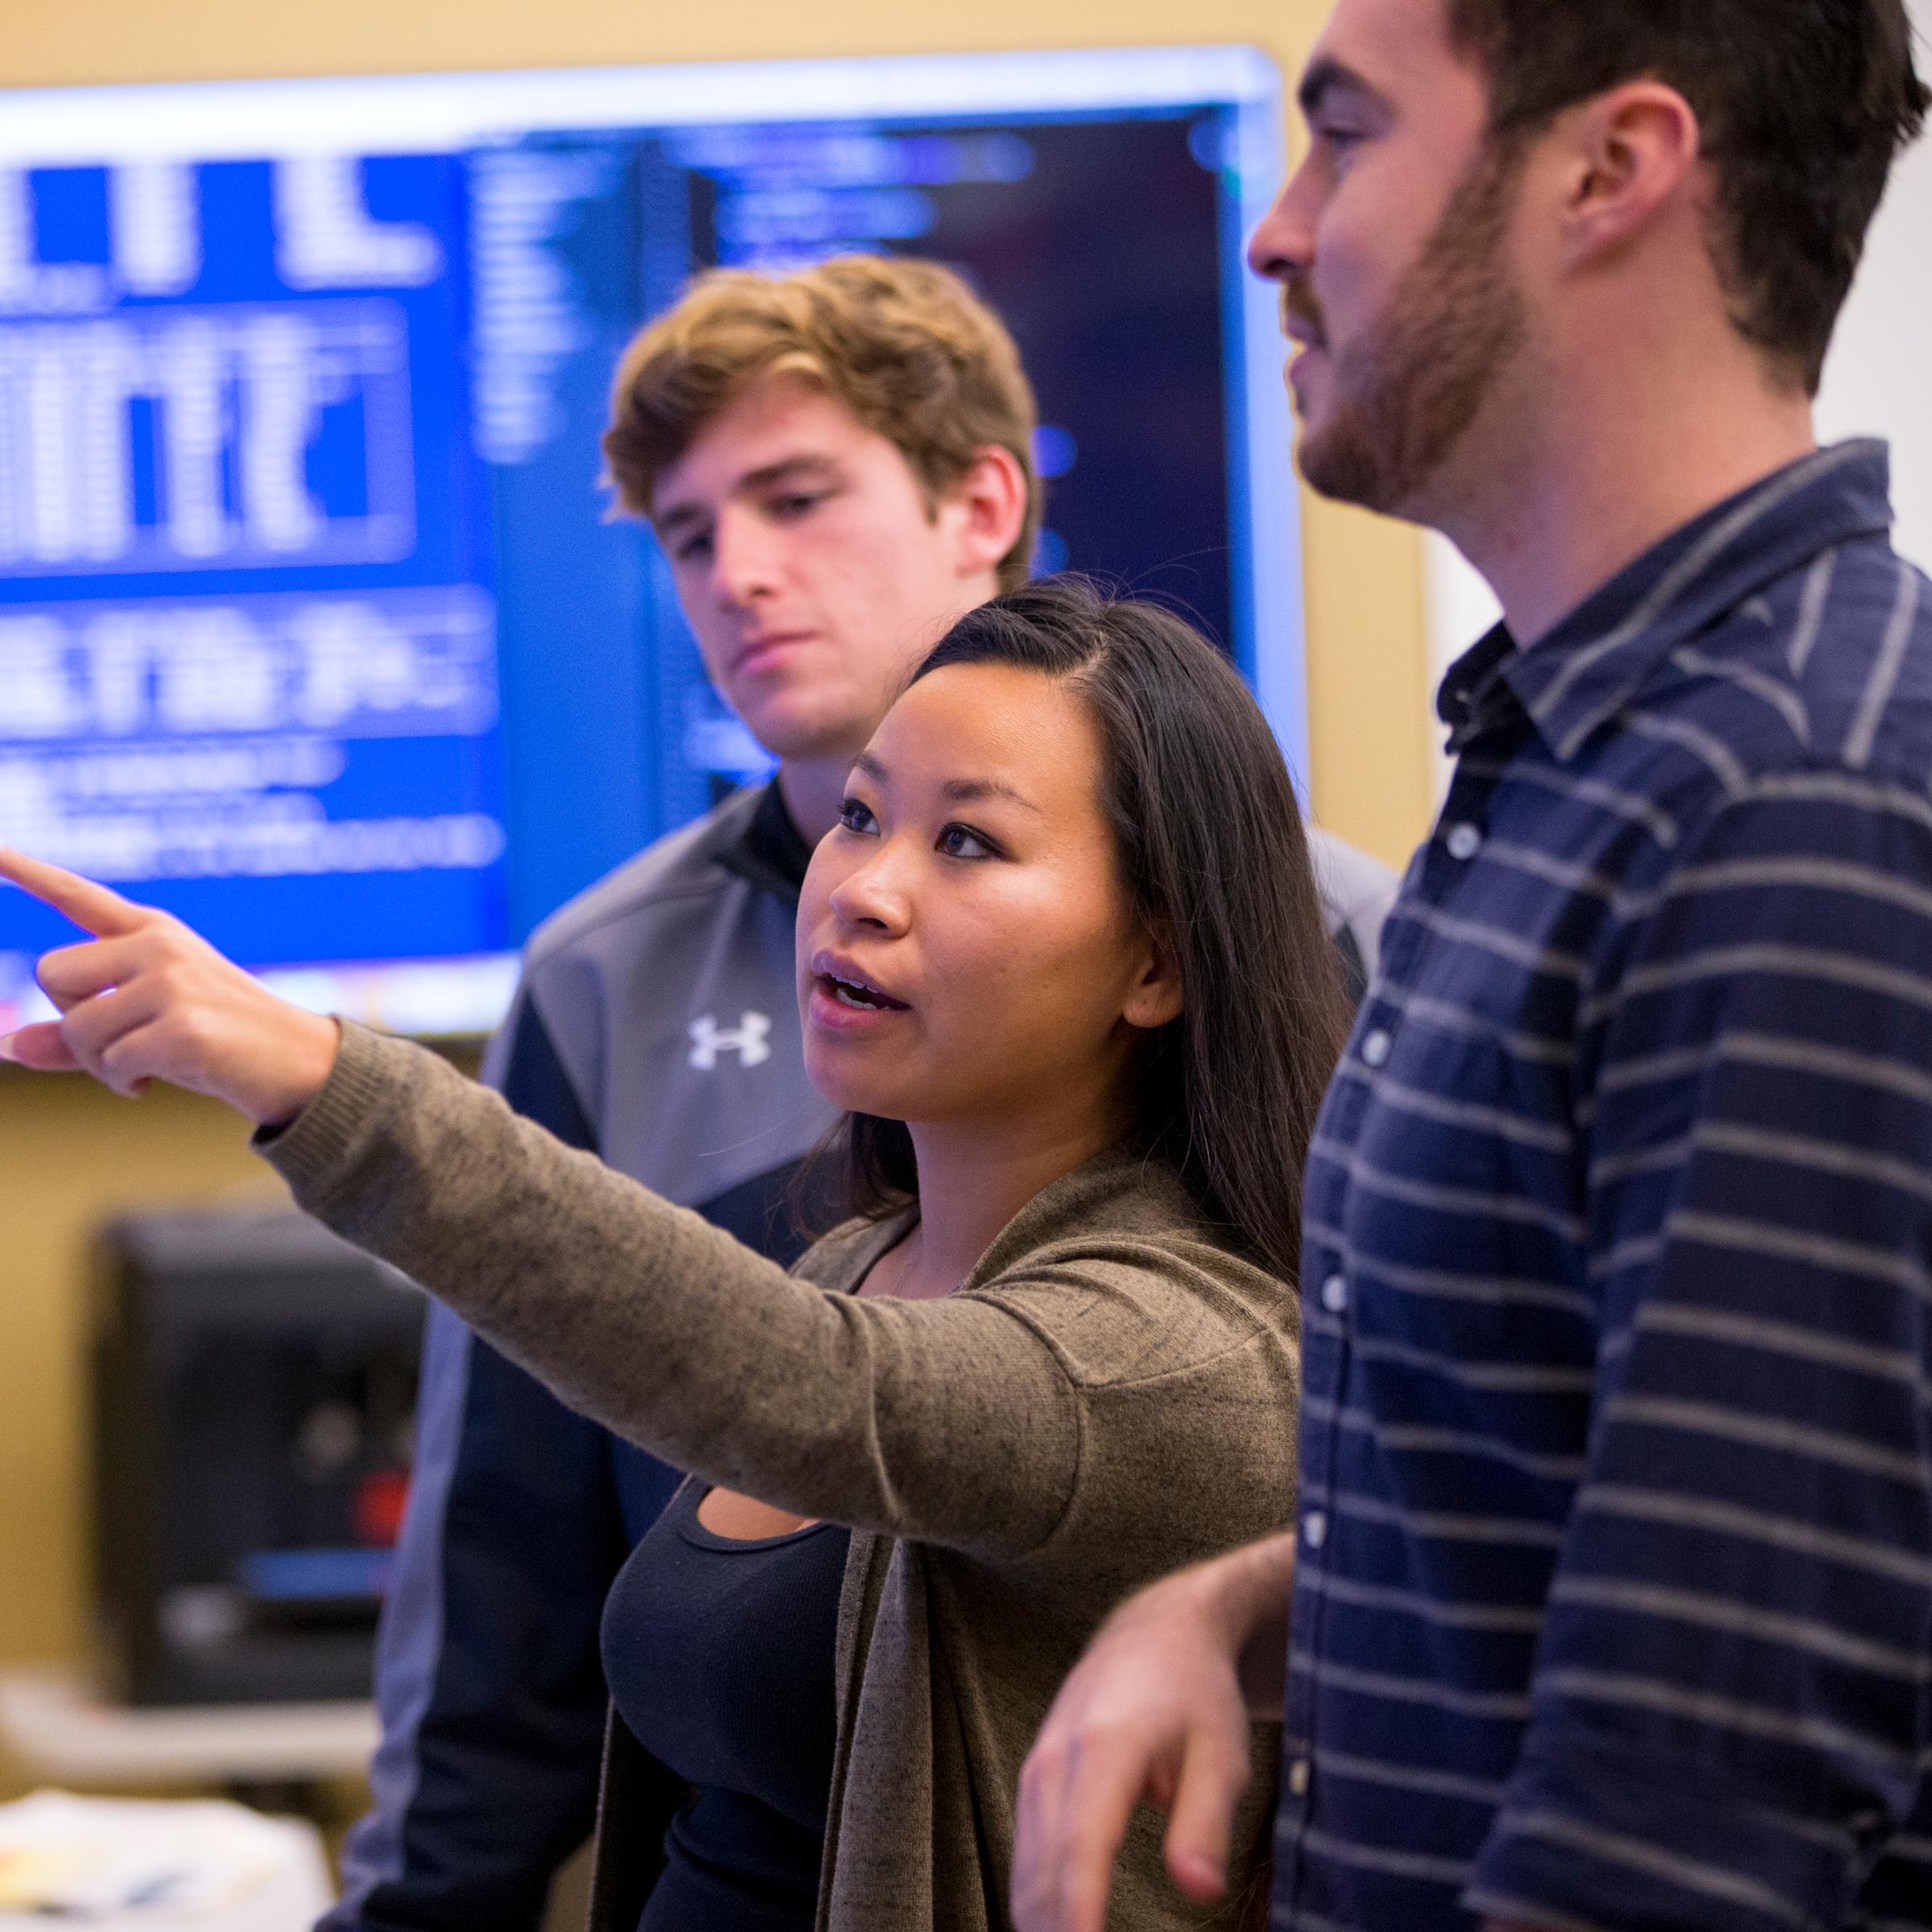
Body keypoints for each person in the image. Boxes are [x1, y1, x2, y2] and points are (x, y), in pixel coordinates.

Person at [2, 576, 1353, 1930]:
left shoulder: (1179, 1348)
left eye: (970, 845)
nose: (866, 889)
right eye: (865, 817)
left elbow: (814, 1387)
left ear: (1157, 965)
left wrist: (316, 1075)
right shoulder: (852, 1261)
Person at [304, 252, 1396, 1930]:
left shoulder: (1330, 943)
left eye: (796, 498)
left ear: (983, 503)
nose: (741, 572)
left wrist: (310, 1080)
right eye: (687, 535)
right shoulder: (614, 976)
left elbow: (819, 1389)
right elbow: (505, 1576)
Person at [1010, 4, 1932, 1932]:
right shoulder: (1581, 752)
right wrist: (1248, 1609)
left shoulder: (1790, 798)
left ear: (1612, 170)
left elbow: (1698, 1801)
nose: (1275, 231)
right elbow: (1611, 1490)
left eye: (1344, 135)